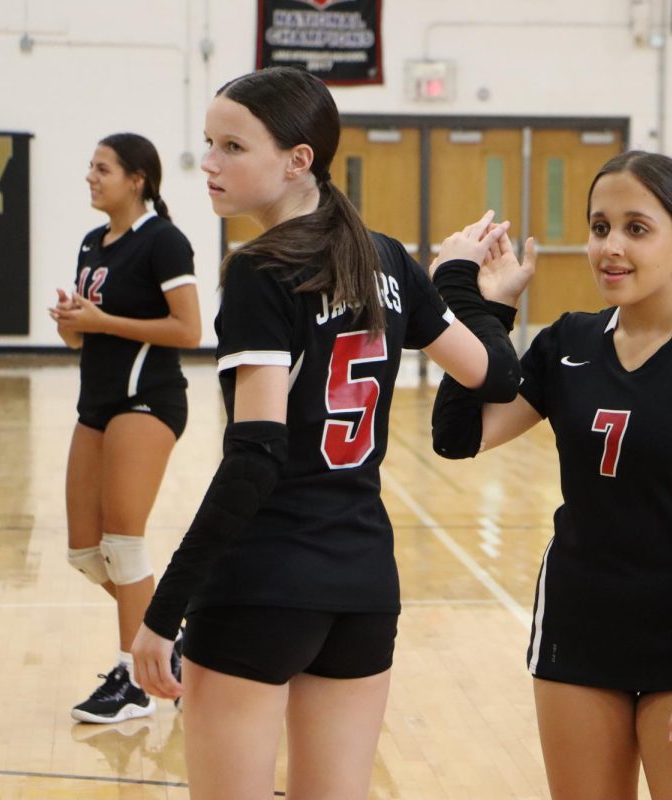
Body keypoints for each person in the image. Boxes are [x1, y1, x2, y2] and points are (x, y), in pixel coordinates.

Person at [128, 66, 521, 800]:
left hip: (264, 583)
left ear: (297, 160)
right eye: (207, 143)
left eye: (232, 147)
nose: (208, 163)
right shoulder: (390, 259)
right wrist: (465, 283)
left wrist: (164, 606)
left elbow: (255, 460)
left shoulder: (260, 271)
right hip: (363, 586)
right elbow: (494, 375)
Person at [431, 150, 672, 800]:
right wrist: (485, 307)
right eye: (599, 228)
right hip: (577, 635)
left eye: (636, 228)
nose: (610, 248)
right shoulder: (567, 341)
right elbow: (458, 436)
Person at [49, 132, 201, 724]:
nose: (91, 176)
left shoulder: (164, 241)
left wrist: (102, 320)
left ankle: (134, 679)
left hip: (148, 401)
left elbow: (189, 331)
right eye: (90, 166)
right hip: (97, 403)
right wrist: (72, 322)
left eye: (102, 168)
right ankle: (172, 639)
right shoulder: (92, 243)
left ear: (137, 179)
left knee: (122, 543)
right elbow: (81, 337)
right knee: (86, 553)